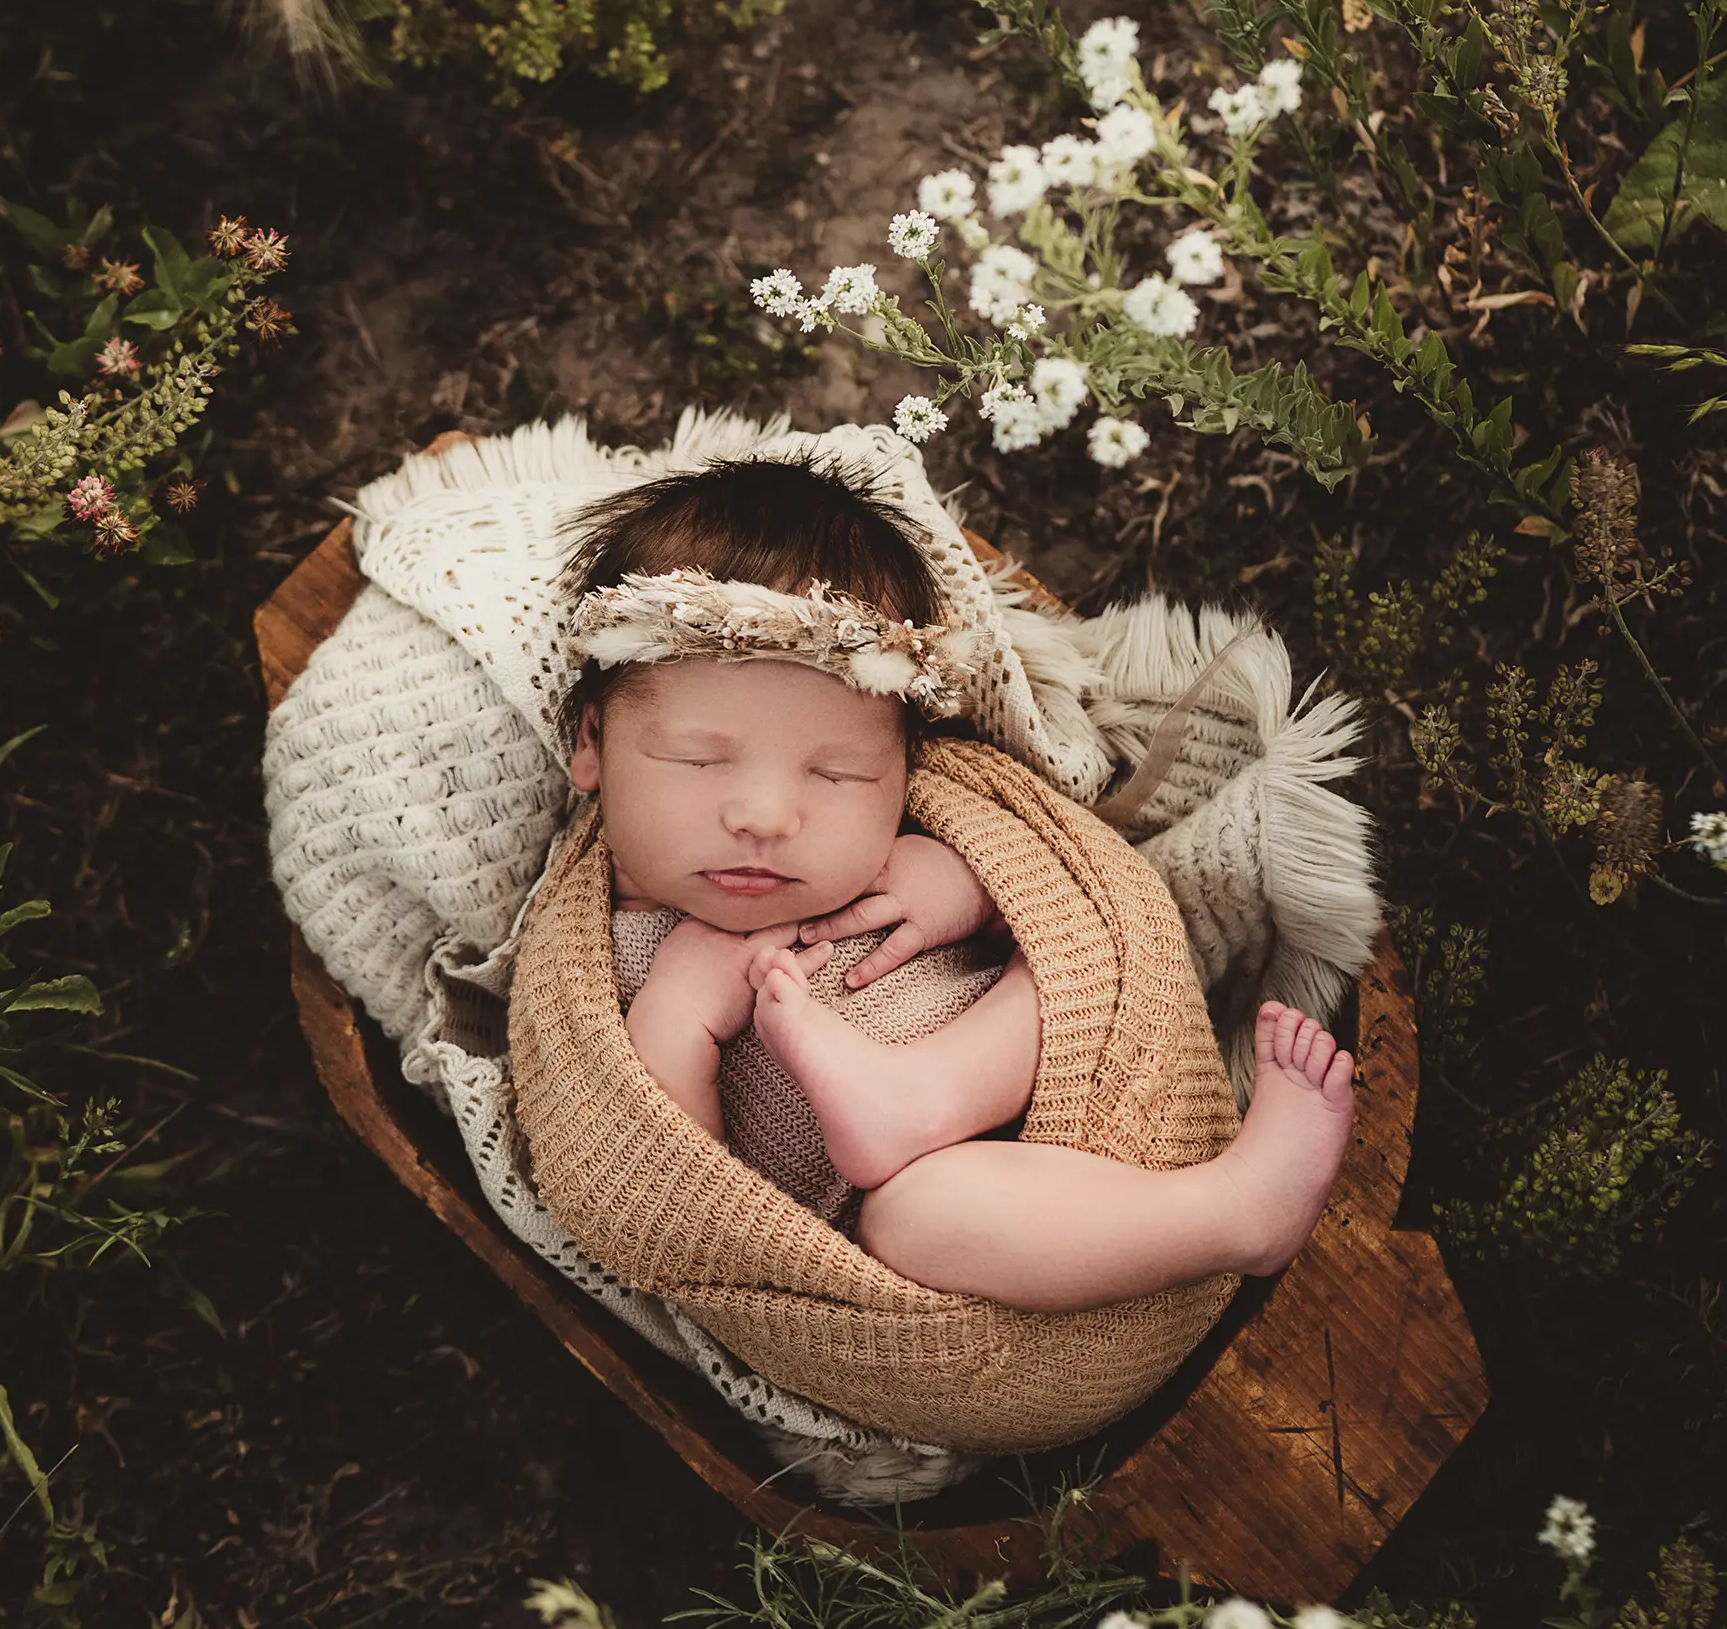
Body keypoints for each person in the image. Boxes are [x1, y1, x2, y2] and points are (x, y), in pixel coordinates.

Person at [557, 458, 1355, 1315]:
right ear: (592, 742)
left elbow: (1073, 893)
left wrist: (972, 886)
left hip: (1073, 1086)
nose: (766, 816)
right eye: (698, 760)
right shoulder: (611, 964)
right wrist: (673, 1019)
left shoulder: (910, 842)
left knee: (1071, 958)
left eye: (838, 774)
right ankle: (1232, 1215)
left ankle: (924, 1094)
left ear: (905, 768)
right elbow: (677, 1190)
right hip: (943, 1224)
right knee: (919, 1216)